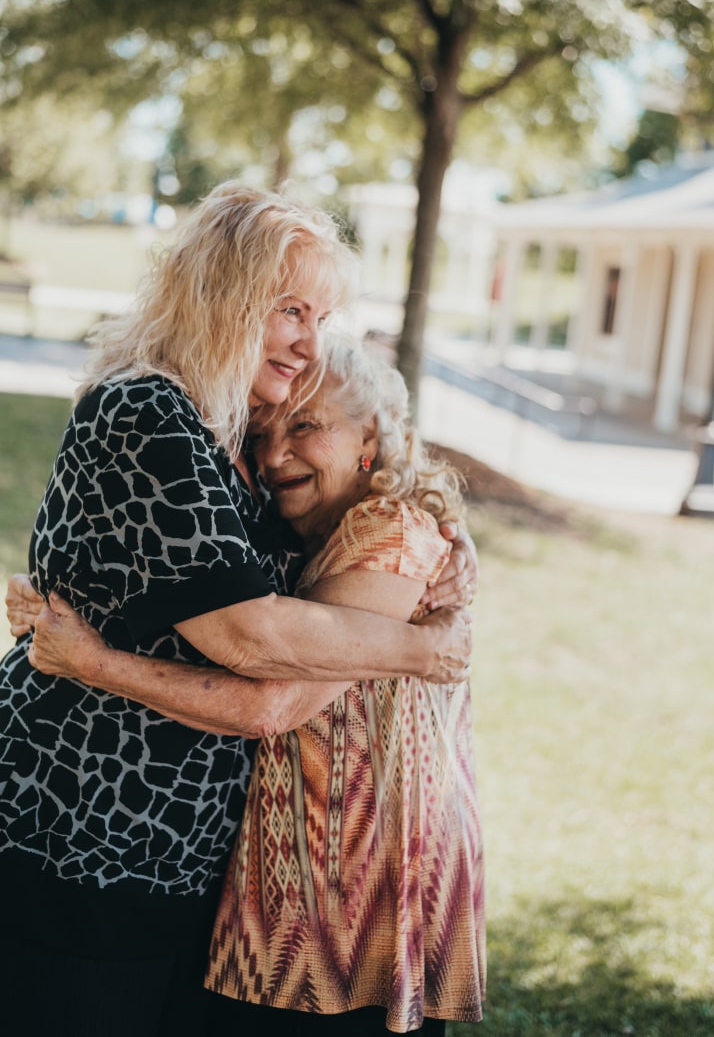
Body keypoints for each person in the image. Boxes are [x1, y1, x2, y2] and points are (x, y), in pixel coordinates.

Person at [0, 182, 474, 1037]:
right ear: (224, 295)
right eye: (289, 309)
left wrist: (423, 553)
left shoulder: (226, 432)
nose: (306, 340)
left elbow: (306, 593)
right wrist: (421, 645)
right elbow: (253, 638)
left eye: (319, 317)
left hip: (169, 864)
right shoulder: (147, 412)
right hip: (78, 837)